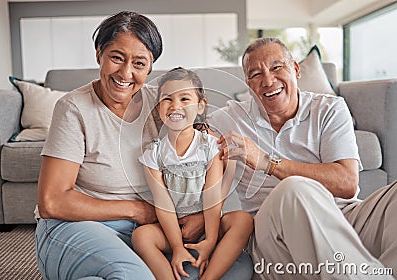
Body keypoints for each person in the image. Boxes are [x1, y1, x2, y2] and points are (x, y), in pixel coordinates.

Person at [35, 11, 252, 280]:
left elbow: (199, 150)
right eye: (116, 57)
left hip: (148, 230)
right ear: (98, 54)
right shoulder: (73, 108)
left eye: (139, 63)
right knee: (133, 275)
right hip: (82, 226)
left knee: (238, 268)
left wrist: (200, 214)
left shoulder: (162, 104)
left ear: (150, 67)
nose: (126, 73)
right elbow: (52, 202)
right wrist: (137, 210)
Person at [209, 37, 397, 279]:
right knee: (294, 190)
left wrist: (267, 162)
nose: (268, 80)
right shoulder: (229, 118)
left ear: (295, 70)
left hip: (344, 216)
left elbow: (348, 184)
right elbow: (184, 133)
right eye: (256, 74)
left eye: (277, 67)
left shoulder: (329, 109)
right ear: (248, 84)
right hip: (274, 237)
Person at [133, 67, 254, 280]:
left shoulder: (209, 146)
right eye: (167, 99)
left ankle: (209, 277)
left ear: (200, 106)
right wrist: (177, 247)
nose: (175, 106)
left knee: (243, 220)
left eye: (184, 98)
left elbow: (212, 195)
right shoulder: (153, 153)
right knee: (141, 236)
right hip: (175, 228)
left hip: (209, 224)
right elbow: (163, 204)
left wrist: (211, 238)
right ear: (159, 107)